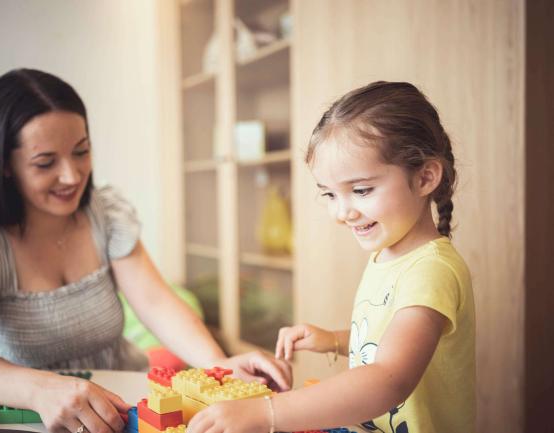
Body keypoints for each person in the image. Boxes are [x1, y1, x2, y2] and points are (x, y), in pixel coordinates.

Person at [0, 69, 291, 433]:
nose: (72, 176)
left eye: (81, 151)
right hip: (30, 414)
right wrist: (42, 390)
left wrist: (217, 365)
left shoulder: (104, 214)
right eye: (45, 162)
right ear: (5, 164)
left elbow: (157, 303)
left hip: (123, 402)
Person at [187, 81, 475, 433]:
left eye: (361, 190)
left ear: (425, 177)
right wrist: (335, 340)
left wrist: (266, 412)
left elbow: (389, 377)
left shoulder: (432, 270)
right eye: (329, 195)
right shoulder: (389, 254)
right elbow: (393, 340)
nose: (342, 213)